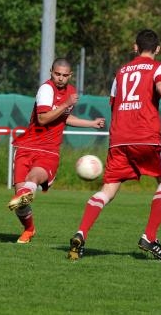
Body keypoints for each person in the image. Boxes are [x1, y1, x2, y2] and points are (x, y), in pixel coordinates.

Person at [67, 29, 161, 260]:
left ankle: (81, 233)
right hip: (145, 135)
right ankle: (149, 236)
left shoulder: (120, 72)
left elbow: (114, 103)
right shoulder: (160, 66)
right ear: (157, 49)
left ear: (135, 47)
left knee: (108, 190)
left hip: (118, 138)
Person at [7, 58, 105, 244]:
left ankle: (25, 195)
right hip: (26, 147)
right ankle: (29, 229)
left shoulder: (71, 93)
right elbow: (43, 119)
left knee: (32, 180)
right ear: (51, 72)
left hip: (49, 151)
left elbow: (63, 118)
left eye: (64, 75)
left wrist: (90, 123)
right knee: (21, 203)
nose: (60, 78)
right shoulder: (46, 90)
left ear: (70, 75)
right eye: (56, 74)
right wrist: (66, 103)